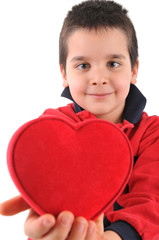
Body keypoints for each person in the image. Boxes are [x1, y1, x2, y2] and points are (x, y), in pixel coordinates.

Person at [0, 0, 159, 239]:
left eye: (113, 64)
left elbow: (151, 201)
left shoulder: (152, 133)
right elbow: (48, 201)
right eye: (83, 65)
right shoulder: (50, 128)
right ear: (64, 73)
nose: (98, 78)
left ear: (134, 70)